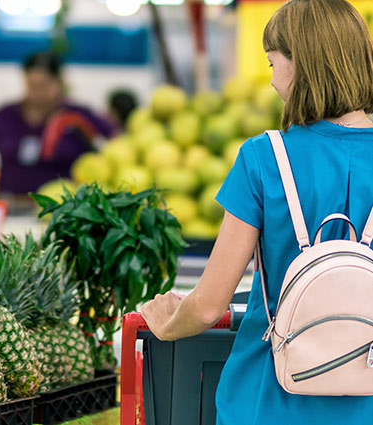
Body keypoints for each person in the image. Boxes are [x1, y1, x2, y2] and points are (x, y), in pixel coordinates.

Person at [141, 0, 373, 423]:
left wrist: (166, 324)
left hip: (267, 398)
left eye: (272, 63)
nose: (271, 81)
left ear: (301, 64)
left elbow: (210, 304)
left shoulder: (265, 158)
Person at [0, 51, 118, 197]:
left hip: (65, 211)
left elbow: (117, 142)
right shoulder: (5, 116)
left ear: (59, 82)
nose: (37, 93)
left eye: (43, 86)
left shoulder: (77, 116)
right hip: (11, 206)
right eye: (32, 85)